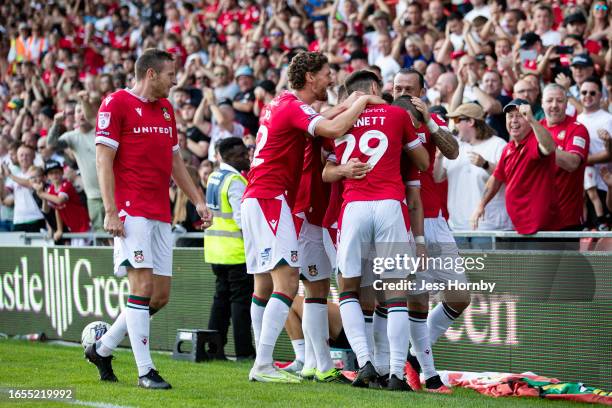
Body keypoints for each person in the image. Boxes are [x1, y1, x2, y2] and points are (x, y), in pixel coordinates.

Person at [242, 51, 384, 383]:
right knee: (288, 283)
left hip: (265, 197)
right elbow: (333, 125)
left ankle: (311, 363)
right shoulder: (293, 107)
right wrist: (362, 102)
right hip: (272, 199)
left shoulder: (282, 103)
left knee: (285, 285)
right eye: (326, 74)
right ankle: (265, 363)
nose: (331, 79)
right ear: (309, 77)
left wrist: (347, 105)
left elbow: (328, 116)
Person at [87, 49, 212, 390]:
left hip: (159, 212)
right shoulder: (115, 103)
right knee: (141, 289)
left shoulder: (167, 110)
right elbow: (102, 160)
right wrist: (111, 210)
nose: (176, 80)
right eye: (171, 74)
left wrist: (198, 200)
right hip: (130, 211)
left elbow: (176, 163)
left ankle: (102, 348)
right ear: (152, 74)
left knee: (159, 297)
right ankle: (145, 372)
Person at [334, 70, 428, 390]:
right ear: (375, 88)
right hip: (389, 203)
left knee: (348, 288)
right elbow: (423, 161)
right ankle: (397, 376)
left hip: (354, 205)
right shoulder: (396, 114)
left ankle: (365, 363)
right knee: (396, 292)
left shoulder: (339, 120)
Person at [392, 69, 466, 394]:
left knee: (460, 295)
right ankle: (431, 376)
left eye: (409, 88)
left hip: (436, 219)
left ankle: (412, 356)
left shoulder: (431, 121)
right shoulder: (386, 120)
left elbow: (452, 151)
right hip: (407, 220)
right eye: (398, 87)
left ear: (423, 90)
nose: (403, 92)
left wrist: (431, 123)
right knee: (417, 302)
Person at [472, 99, 559, 234]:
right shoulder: (508, 148)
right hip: (518, 227)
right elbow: (496, 179)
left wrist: (532, 120)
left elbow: (549, 147)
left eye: (519, 116)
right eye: (510, 116)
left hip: (541, 230)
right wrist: (481, 205)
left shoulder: (534, 140)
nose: (514, 120)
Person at [204, 138, 254, 360]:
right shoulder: (235, 180)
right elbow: (241, 219)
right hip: (235, 251)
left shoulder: (214, 177)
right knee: (240, 303)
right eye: (242, 154)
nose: (247, 157)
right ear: (229, 157)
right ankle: (244, 352)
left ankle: (214, 349)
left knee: (220, 301)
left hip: (216, 250)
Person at [435, 103, 512, 247]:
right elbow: (437, 177)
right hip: (457, 228)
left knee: (487, 270)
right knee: (460, 270)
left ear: (470, 122)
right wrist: (438, 158)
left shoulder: (498, 145)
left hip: (489, 228)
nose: (454, 125)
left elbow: (508, 176)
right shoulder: (454, 146)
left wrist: (485, 164)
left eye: (457, 120)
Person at [47, 97, 104, 232]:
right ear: (75, 117)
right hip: (93, 196)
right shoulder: (71, 136)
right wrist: (56, 124)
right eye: (78, 111)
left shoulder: (102, 131)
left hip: (114, 192)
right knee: (101, 235)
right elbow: (51, 144)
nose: (81, 114)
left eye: (84, 110)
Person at [540, 84, 590, 231]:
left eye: (559, 101)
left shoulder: (577, 128)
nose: (554, 105)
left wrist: (545, 147)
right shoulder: (534, 129)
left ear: (567, 103)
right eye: (549, 101)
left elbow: (573, 163)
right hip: (538, 217)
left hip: (566, 218)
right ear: (542, 103)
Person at [576, 76, 612, 230]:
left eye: (592, 93)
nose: (587, 96)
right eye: (584, 92)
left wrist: (580, 160)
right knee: (585, 241)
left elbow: (609, 153)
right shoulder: (576, 120)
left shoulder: (608, 119)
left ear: (600, 95)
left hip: (605, 187)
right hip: (581, 187)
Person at [33, 160, 90, 246]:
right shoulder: (50, 190)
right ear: (47, 177)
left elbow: (59, 200)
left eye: (57, 172)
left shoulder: (66, 185)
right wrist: (59, 230)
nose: (54, 175)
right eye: (51, 173)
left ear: (62, 172)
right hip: (73, 229)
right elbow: (48, 210)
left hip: (84, 225)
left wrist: (42, 194)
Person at [1, 144, 46, 232]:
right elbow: (4, 195)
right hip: (18, 220)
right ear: (17, 158)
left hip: (36, 217)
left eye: (27, 155)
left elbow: (30, 184)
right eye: (21, 155)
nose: (24, 158)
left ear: (33, 157)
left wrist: (10, 175)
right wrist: (1, 179)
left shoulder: (38, 173)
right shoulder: (15, 176)